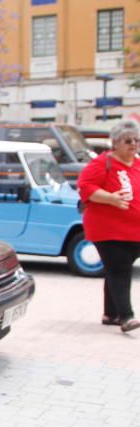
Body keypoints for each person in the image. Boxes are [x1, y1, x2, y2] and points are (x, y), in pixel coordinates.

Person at [77, 120, 140, 333]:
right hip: (108, 230)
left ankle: (110, 314)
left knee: (118, 270)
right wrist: (110, 198)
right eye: (127, 141)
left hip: (134, 231)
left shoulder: (137, 163)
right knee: (119, 270)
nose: (133, 144)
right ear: (115, 143)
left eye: (136, 140)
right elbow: (85, 186)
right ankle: (126, 317)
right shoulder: (103, 162)